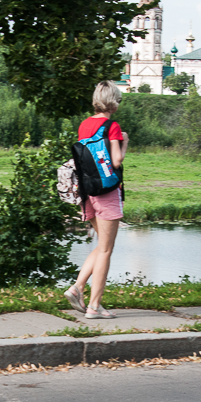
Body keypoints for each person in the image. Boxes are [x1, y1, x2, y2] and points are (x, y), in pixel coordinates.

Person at [63, 81, 127, 319]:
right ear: (113, 102)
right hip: (107, 191)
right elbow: (116, 161)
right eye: (118, 99)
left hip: (87, 192)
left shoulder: (84, 125)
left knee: (101, 245)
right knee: (106, 250)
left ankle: (77, 288)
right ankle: (94, 306)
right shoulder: (112, 126)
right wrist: (125, 141)